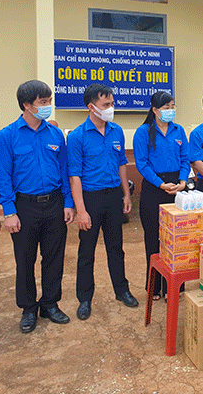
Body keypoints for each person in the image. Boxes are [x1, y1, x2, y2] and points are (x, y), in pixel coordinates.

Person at [0, 80, 75, 333]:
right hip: (24, 206)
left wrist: (68, 203)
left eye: (49, 101)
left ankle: (50, 304)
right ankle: (28, 309)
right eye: (43, 102)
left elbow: (64, 170)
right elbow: (3, 175)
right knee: (25, 260)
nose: (47, 106)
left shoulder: (55, 134)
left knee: (54, 258)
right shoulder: (7, 136)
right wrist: (9, 211)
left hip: (54, 204)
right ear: (27, 105)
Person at [68, 84, 138, 320]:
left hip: (113, 196)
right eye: (106, 105)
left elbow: (122, 163)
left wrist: (126, 194)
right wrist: (81, 210)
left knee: (116, 247)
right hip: (90, 198)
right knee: (86, 251)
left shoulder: (117, 131)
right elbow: (74, 175)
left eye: (112, 103)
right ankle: (85, 299)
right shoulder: (77, 136)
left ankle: (122, 290)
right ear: (91, 107)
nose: (111, 108)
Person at [133, 91, 190, 299]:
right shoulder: (143, 132)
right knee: (154, 239)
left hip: (177, 187)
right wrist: (160, 184)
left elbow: (185, 159)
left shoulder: (179, 130)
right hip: (153, 187)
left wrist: (182, 181)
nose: (170, 111)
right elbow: (142, 164)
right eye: (165, 108)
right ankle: (155, 287)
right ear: (155, 110)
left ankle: (174, 288)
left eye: (172, 107)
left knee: (176, 238)